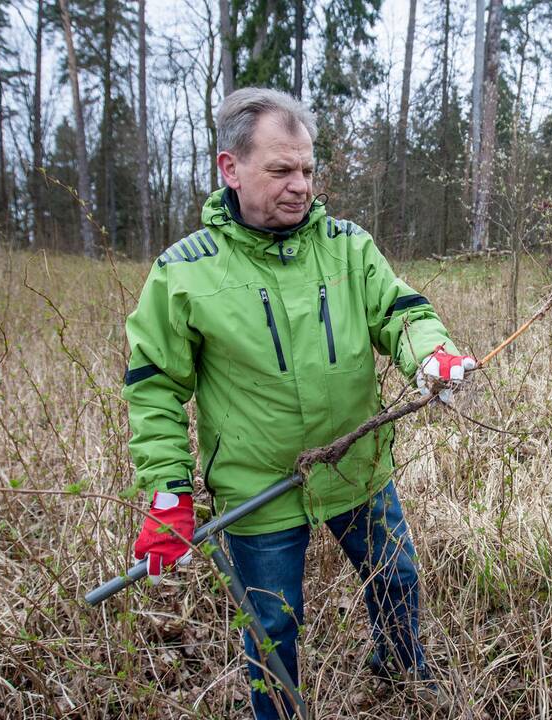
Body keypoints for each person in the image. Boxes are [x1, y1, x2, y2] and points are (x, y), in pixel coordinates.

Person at [122, 87, 475, 718]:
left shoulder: (347, 245)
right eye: (280, 170)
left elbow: (401, 311)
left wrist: (432, 354)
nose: (300, 186)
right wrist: (168, 493)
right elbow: (155, 388)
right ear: (230, 168)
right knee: (273, 626)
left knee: (396, 581)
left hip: (357, 467)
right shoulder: (184, 272)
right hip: (259, 487)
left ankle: (401, 672)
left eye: (308, 169)